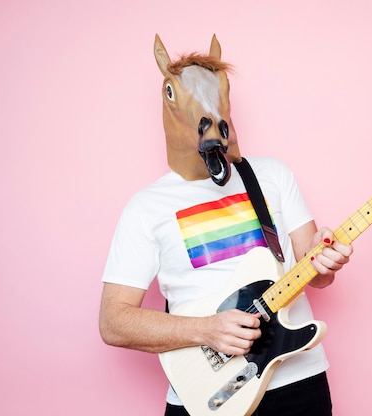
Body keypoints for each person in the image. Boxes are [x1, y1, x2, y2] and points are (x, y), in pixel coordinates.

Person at [98, 34, 353, 416]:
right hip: (207, 392)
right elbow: (113, 322)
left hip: (298, 383)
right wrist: (205, 329)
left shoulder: (272, 175)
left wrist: (326, 260)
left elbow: (315, 275)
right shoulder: (146, 207)